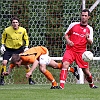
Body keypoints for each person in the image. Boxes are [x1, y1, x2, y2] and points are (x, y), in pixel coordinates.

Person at [3, 46, 79, 89]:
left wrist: (30, 72)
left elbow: (36, 61)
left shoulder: (27, 58)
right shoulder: (16, 59)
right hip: (39, 53)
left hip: (43, 51)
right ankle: (73, 69)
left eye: (17, 64)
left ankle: (54, 84)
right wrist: (8, 72)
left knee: (42, 68)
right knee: (55, 66)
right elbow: (11, 65)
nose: (17, 66)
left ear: (20, 60)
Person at [59, 9, 98, 89]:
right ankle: (61, 86)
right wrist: (68, 41)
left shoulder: (89, 29)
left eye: (85, 16)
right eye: (82, 15)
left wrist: (87, 38)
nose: (83, 17)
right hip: (70, 50)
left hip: (81, 52)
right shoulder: (73, 25)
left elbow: (91, 42)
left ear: (88, 17)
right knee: (65, 65)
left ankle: (92, 85)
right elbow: (66, 35)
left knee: (86, 72)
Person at [0, 16, 34, 85]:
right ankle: (1, 79)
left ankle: (30, 79)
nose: (15, 24)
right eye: (13, 22)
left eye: (16, 22)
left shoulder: (23, 30)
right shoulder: (7, 30)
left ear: (19, 23)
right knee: (4, 63)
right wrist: (2, 45)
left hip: (19, 49)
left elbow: (26, 39)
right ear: (11, 24)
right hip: (9, 49)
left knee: (26, 64)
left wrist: (26, 46)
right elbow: (3, 38)